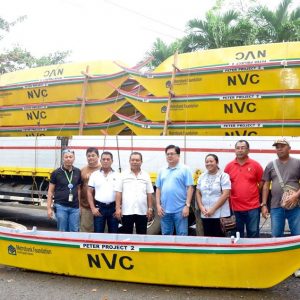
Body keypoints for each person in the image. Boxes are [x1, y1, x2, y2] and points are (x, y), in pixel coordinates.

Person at [224, 140, 263, 238]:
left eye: (243, 148)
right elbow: (224, 186)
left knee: (253, 234)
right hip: (234, 208)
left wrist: (252, 192)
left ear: (248, 150)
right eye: (238, 148)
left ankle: (253, 253)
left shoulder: (256, 165)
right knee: (236, 235)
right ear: (235, 150)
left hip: (253, 207)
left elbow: (261, 183)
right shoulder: (229, 167)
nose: (240, 150)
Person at [156, 145, 193, 236]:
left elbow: (190, 188)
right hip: (165, 211)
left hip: (180, 210)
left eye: (172, 154)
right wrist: (158, 205)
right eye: (167, 154)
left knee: (182, 235)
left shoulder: (185, 169)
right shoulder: (162, 170)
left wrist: (187, 206)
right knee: (166, 235)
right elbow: (158, 188)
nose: (169, 156)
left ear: (178, 155)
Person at [115, 152, 154, 234]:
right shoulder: (123, 175)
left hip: (142, 211)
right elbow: (118, 192)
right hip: (127, 211)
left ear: (141, 162)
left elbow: (149, 193)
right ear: (129, 161)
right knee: (127, 235)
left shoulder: (145, 175)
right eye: (133, 160)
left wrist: (150, 208)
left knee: (142, 235)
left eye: (137, 160)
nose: (135, 162)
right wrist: (118, 209)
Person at [196, 154, 231, 237]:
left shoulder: (224, 176)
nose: (209, 163)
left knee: (220, 240)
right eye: (207, 162)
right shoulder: (202, 176)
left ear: (217, 162)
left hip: (220, 215)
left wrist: (213, 209)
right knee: (208, 238)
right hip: (205, 213)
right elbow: (198, 192)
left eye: (211, 161)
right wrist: (201, 207)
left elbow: (226, 194)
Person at [47, 149, 82, 232]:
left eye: (70, 157)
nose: (68, 159)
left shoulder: (77, 172)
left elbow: (79, 190)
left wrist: (80, 206)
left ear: (74, 158)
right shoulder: (56, 173)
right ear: (63, 158)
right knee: (62, 230)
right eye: (66, 157)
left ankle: (72, 245)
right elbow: (50, 191)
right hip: (61, 206)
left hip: (75, 208)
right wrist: (49, 208)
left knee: (74, 230)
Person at [87, 151, 119, 233]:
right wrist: (93, 208)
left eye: (108, 159)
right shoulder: (95, 175)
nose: (106, 161)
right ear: (100, 161)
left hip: (113, 208)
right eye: (103, 159)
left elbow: (120, 193)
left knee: (113, 234)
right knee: (98, 234)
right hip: (99, 208)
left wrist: (119, 208)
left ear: (112, 161)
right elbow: (89, 192)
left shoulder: (118, 175)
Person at [80, 147, 101, 232]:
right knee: (86, 231)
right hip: (86, 207)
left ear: (98, 156)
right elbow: (78, 189)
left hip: (101, 208)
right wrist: (79, 205)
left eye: (93, 155)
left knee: (100, 232)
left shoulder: (103, 169)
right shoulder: (82, 170)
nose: (91, 157)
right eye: (88, 156)